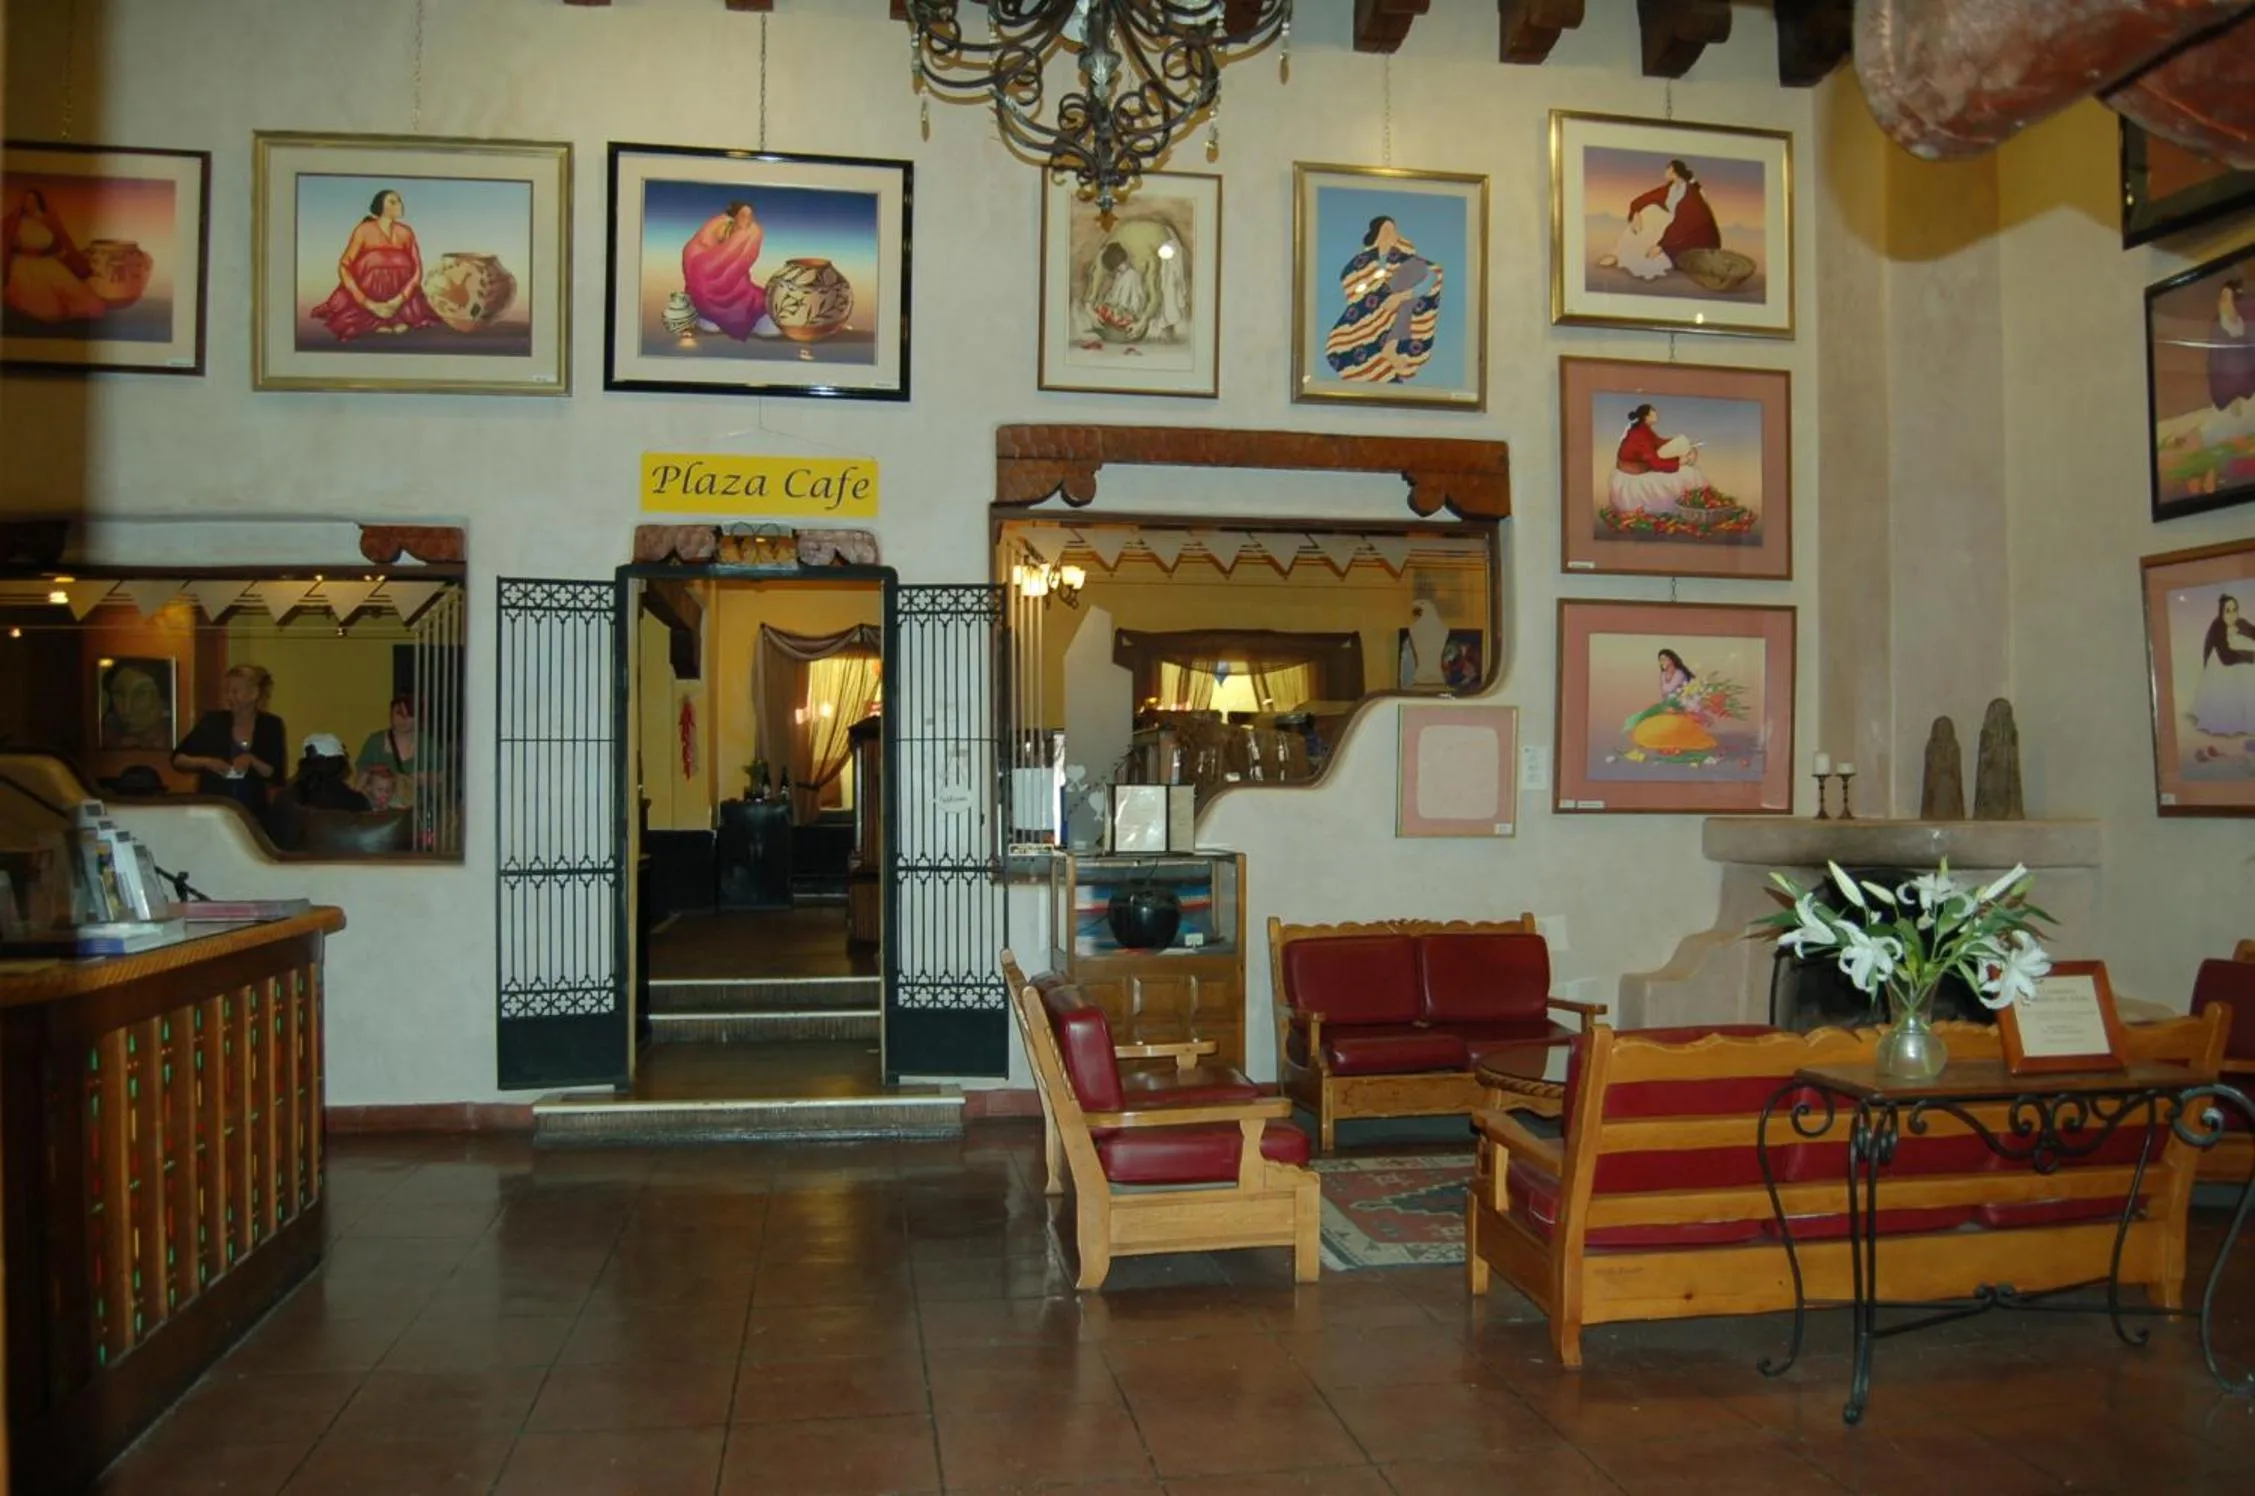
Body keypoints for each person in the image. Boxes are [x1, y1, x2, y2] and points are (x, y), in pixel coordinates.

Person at [306, 188, 441, 341]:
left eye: (399, 201)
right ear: (381, 207)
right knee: (374, 260)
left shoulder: (406, 232)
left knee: (402, 265)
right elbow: (344, 265)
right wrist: (369, 304)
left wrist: (398, 300)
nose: (400, 204)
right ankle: (374, 320)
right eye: (393, 201)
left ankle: (397, 317)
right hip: (367, 297)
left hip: (402, 299)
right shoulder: (363, 230)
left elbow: (417, 269)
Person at [1324, 215, 1443, 385]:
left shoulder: (1402, 257)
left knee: (1406, 298)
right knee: (1340, 346)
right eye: (1386, 229)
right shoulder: (1361, 261)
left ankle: (1390, 348)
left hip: (1396, 303)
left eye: (1393, 230)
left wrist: (1402, 295)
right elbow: (1352, 285)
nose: (1391, 234)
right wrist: (1378, 295)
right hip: (1366, 309)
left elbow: (1432, 272)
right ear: (1376, 233)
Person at [172, 665, 287, 813]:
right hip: (213, 808)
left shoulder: (271, 725)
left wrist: (252, 761)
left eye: (235, 691)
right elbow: (178, 759)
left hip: (254, 811)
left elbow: (276, 774)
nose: (229, 697)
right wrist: (207, 762)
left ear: (254, 693)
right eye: (227, 691)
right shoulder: (212, 722)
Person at [1598, 158, 1721, 282]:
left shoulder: (1690, 193)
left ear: (1674, 172)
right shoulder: (1671, 188)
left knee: (1655, 239)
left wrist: (1661, 246)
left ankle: (1634, 257)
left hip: (1688, 234)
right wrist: (1636, 214)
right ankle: (1619, 253)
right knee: (1650, 210)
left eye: (1668, 169)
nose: (1665, 172)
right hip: (1673, 223)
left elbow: (1683, 224)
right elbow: (1646, 198)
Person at [3, 186, 107, 322]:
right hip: (23, 263)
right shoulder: (16, 221)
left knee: (75, 292)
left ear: (39, 202)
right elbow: (7, 241)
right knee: (45, 306)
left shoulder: (48, 220)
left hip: (45, 261)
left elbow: (57, 244)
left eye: (33, 200)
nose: (29, 204)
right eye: (27, 201)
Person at [681, 200, 767, 340]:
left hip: (736, 285)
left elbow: (737, 264)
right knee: (703, 277)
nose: (747, 219)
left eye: (750, 215)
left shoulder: (751, 231)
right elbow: (700, 255)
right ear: (734, 216)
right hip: (705, 274)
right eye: (743, 215)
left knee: (751, 298)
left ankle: (717, 316)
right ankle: (710, 314)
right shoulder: (720, 225)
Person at [1607, 403, 1709, 516]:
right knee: (1685, 474)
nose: (1656, 415)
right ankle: (1687, 508)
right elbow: (1655, 462)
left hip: (1644, 466)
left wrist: (1681, 444)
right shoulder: (1640, 435)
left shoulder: (1644, 430)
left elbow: (1657, 443)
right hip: (1632, 477)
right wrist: (1679, 462)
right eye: (1653, 413)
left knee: (1689, 471)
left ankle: (1693, 504)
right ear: (1646, 417)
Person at [1623, 648, 1721, 758]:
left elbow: (1672, 691)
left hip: (1681, 705)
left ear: (1672, 660)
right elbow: (1665, 694)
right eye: (1660, 660)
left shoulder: (1679, 674)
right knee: (1648, 715)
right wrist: (1662, 706)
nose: (1662, 662)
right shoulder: (1663, 674)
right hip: (1668, 705)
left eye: (1664, 659)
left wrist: (1672, 706)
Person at [2192, 593, 2255, 754]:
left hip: (2238, 660)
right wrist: (2251, 657)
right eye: (2228, 610)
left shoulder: (2240, 622)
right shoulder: (2217, 627)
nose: (2232, 614)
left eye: (2235, 610)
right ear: (2221, 612)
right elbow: (2227, 658)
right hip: (2222, 665)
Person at [355, 695, 419, 809]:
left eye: (409, 715)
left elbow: (443, 780)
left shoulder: (428, 744)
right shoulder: (375, 742)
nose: (404, 720)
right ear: (391, 714)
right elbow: (360, 779)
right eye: (399, 713)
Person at [99, 660, 173, 750]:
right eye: (119, 693)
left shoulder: (183, 737)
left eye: (141, 693)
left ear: (164, 700)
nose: (126, 708)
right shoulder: (105, 742)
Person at [2210, 277, 2255, 417]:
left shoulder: (2248, 325)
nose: (2223, 304)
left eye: (2228, 299)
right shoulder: (2218, 330)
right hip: (2229, 400)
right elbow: (2215, 369)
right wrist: (2231, 398)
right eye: (2222, 299)